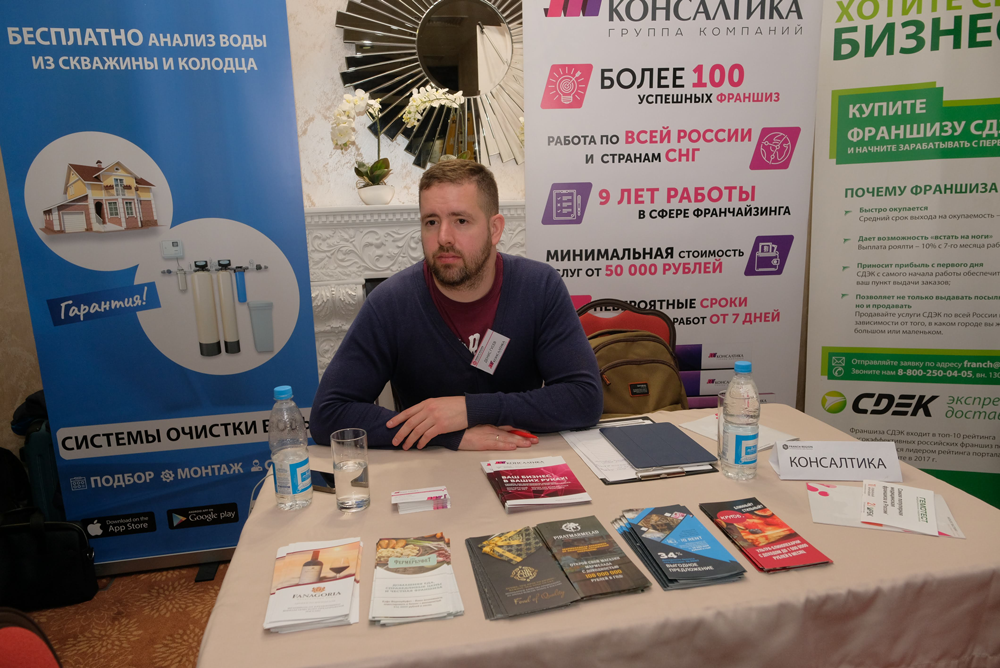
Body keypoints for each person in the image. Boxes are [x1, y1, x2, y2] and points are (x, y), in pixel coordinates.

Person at [309, 160, 603, 451]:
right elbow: (328, 415)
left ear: (495, 229)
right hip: (430, 469)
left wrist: (470, 410)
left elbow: (585, 398)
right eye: (431, 222)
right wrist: (445, 435)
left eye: (461, 221)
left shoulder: (539, 286)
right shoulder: (391, 303)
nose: (443, 238)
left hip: (525, 459)